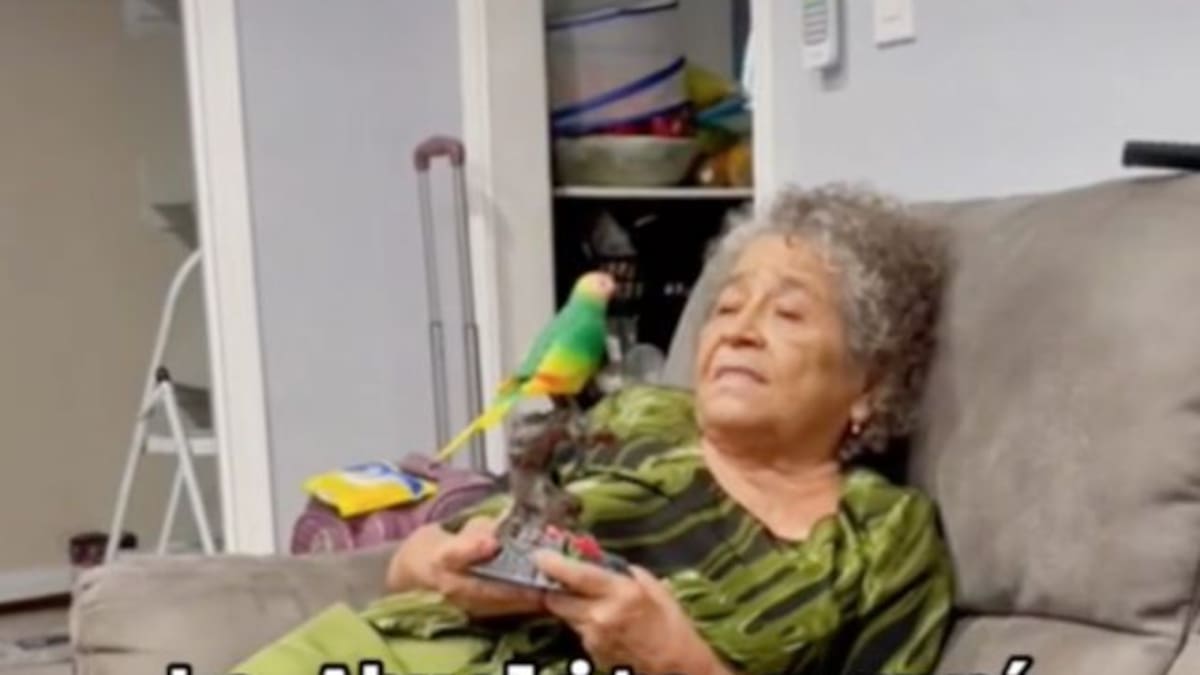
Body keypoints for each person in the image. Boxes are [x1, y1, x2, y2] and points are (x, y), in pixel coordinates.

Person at [232, 185, 954, 675]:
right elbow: (426, 557)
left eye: (788, 313)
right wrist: (438, 564)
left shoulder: (883, 538)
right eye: (728, 307)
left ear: (871, 382)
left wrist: (680, 661)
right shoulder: (633, 417)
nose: (739, 332)